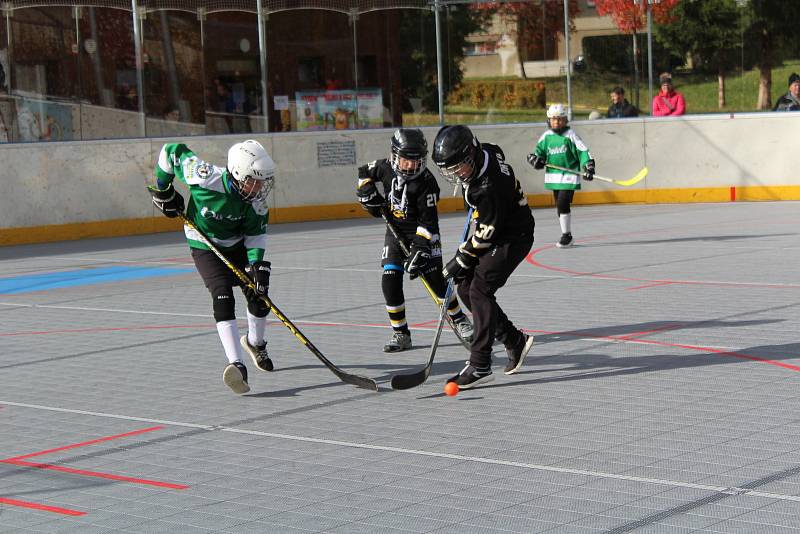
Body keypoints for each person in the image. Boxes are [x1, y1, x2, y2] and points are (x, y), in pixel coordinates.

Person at [147, 140, 276, 395]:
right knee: (222, 296)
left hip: (238, 245)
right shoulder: (203, 177)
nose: (260, 187)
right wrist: (163, 189)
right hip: (203, 244)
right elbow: (172, 151)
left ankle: (255, 344)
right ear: (238, 175)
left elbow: (255, 236)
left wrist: (256, 264)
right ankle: (237, 365)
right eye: (254, 180)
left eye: (263, 181)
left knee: (258, 297)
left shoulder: (256, 203)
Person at [432, 125, 536, 389]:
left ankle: (480, 364)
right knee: (465, 289)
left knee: (479, 290)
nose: (455, 174)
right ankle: (514, 340)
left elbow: (487, 235)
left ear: (472, 154)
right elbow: (497, 151)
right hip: (497, 227)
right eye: (450, 169)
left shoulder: (489, 186)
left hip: (513, 236)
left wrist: (460, 259)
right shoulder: (485, 152)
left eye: (459, 167)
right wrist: (463, 260)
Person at [357, 129, 474, 353]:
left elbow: (427, 222)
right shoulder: (383, 167)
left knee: (436, 282)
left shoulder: (427, 183)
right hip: (395, 232)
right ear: (394, 155)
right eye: (406, 160)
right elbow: (364, 172)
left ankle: (459, 319)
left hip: (425, 235)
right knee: (389, 281)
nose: (411, 165)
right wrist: (366, 190)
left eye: (416, 160)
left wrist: (420, 249)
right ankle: (401, 333)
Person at [527, 103, 595, 248]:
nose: (557, 122)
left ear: (565, 120)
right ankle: (567, 234)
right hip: (553, 176)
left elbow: (583, 151)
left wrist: (588, 165)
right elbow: (539, 153)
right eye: (553, 119)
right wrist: (535, 159)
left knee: (563, 202)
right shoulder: (546, 137)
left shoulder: (570, 135)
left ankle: (566, 235)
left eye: (560, 119)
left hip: (569, 174)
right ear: (549, 120)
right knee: (560, 205)